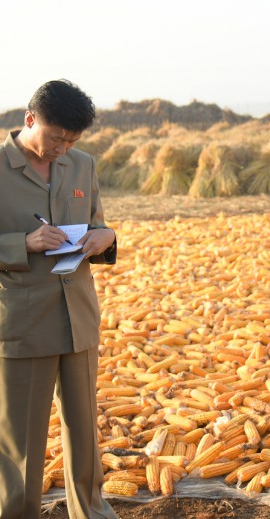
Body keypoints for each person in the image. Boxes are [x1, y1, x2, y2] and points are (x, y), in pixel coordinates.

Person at [0, 80, 118, 518]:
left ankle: (91, 512)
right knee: (22, 444)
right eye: (55, 138)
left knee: (85, 433)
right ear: (30, 120)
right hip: (23, 321)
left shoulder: (82, 164)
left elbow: (97, 226)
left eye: (72, 140)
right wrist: (22, 244)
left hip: (79, 317)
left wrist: (106, 237)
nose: (62, 149)